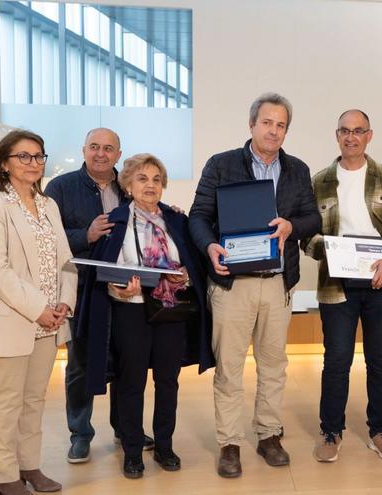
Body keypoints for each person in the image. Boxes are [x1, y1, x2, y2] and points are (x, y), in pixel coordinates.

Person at [188, 92, 321, 478]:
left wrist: (292, 225)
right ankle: (229, 443)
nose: (274, 130)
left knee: (274, 366)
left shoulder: (297, 169)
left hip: (278, 283)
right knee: (229, 368)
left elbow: (313, 217)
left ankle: (268, 434)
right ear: (252, 124)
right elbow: (199, 216)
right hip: (233, 285)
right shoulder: (222, 164)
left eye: (281, 125)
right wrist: (210, 246)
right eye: (267, 122)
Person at [78, 153, 214, 479]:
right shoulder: (115, 221)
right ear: (128, 184)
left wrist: (186, 276)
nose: (150, 185)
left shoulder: (176, 220)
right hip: (131, 310)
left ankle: (165, 446)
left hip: (171, 312)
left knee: (168, 382)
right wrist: (118, 289)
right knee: (131, 383)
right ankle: (133, 450)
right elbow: (105, 272)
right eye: (142, 178)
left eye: (156, 179)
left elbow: (194, 265)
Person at [302, 109, 382, 462]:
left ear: (369, 135)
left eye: (358, 131)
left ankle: (380, 430)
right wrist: (331, 252)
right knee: (336, 360)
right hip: (337, 284)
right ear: (336, 135)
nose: (350, 137)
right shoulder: (320, 181)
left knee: (381, 360)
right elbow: (306, 236)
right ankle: (331, 431)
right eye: (344, 131)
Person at [0, 130, 78, 495]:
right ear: (4, 164)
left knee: (34, 401)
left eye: (38, 156)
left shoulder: (49, 205)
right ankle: (4, 477)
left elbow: (67, 260)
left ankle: (29, 466)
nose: (33, 163)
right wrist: (39, 309)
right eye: (24, 156)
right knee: (7, 402)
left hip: (50, 322)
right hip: (14, 319)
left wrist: (65, 303)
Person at [44, 128, 150, 464]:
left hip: (126, 290)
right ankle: (80, 434)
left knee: (127, 363)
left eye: (108, 148)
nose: (101, 154)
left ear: (119, 154)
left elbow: (150, 224)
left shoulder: (130, 187)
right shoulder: (59, 188)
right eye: (94, 147)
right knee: (79, 365)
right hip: (81, 291)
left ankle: (125, 428)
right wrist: (85, 234)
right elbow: (48, 238)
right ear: (83, 150)